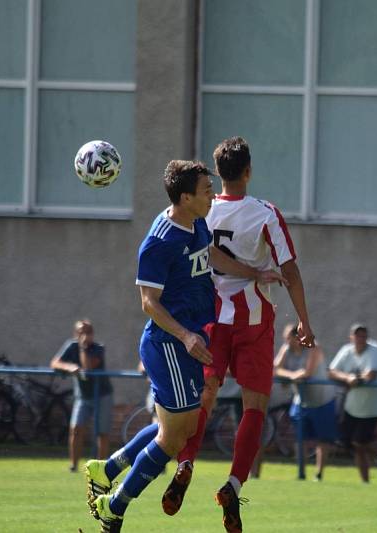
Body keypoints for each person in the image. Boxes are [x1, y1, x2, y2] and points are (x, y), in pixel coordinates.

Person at [82, 160, 283, 532]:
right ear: (185, 196)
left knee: (177, 429)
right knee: (174, 438)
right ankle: (115, 504)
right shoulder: (160, 241)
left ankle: (106, 469)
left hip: (190, 341)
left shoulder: (197, 222)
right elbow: (149, 303)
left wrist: (254, 273)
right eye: (207, 190)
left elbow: (213, 256)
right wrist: (186, 335)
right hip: (170, 345)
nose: (212, 195)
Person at [163, 137, 315, 533]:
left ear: (218, 173)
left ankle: (185, 464)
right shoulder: (265, 213)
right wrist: (304, 322)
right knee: (255, 405)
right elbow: (291, 271)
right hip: (253, 320)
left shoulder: (200, 211)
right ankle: (233, 483)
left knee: (206, 396)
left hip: (211, 318)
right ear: (248, 170)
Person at [274, 324, 338, 481]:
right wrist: (293, 375)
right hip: (301, 400)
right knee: (300, 437)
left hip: (323, 400)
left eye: (288, 338)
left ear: (297, 338)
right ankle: (301, 473)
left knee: (323, 439)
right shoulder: (286, 348)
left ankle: (319, 474)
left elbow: (307, 373)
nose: (286, 342)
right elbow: (275, 369)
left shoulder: (313, 347)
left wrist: (292, 375)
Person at [50, 319, 114, 472]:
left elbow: (88, 367)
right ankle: (73, 466)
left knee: (102, 432)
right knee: (76, 429)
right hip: (83, 397)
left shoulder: (98, 348)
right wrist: (69, 366)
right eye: (81, 332)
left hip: (102, 395)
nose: (85, 335)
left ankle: (101, 468)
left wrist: (83, 348)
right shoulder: (70, 346)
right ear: (75, 334)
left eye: (88, 332)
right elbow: (54, 363)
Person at [328, 324, 377, 483]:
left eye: (363, 335)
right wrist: (347, 378)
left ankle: (366, 480)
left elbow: (372, 374)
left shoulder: (375, 350)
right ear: (351, 337)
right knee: (349, 443)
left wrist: (357, 379)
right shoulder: (346, 350)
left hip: (372, 406)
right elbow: (332, 371)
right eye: (357, 335)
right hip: (352, 406)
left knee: (359, 443)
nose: (360, 338)